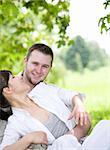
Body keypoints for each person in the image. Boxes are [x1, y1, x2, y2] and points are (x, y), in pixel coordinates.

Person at [0, 70, 90, 150]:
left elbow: (70, 95)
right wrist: (28, 139)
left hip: (82, 142)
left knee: (104, 126)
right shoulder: (15, 122)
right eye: (14, 77)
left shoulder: (42, 90)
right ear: (8, 90)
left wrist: (79, 105)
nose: (20, 76)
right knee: (66, 141)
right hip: (62, 146)